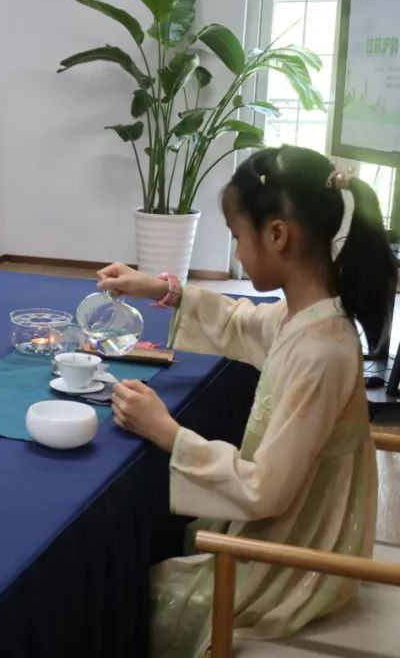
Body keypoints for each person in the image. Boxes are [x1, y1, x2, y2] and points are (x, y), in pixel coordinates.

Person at [98, 145, 396, 658]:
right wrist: (161, 288)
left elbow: (263, 491)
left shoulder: (320, 350)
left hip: (300, 561)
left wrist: (165, 430)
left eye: (237, 237)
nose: (236, 254)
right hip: (301, 529)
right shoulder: (309, 317)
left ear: (277, 234)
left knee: (134, 602)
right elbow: (242, 321)